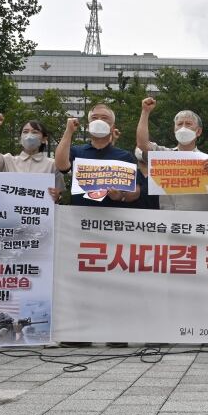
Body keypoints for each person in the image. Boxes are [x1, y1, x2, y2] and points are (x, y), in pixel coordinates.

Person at [55, 104, 140, 348]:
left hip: (114, 224)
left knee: (115, 279)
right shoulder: (78, 151)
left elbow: (135, 191)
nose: (99, 121)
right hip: (81, 223)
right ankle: (79, 332)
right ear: (88, 123)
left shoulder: (124, 156)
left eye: (104, 118)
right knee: (81, 278)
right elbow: (61, 164)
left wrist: (121, 196)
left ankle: (115, 330)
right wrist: (68, 132)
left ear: (113, 127)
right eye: (95, 117)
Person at [136, 97, 208, 211]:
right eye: (179, 124)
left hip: (198, 221)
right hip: (169, 221)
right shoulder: (163, 155)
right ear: (174, 129)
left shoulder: (207, 160)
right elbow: (142, 144)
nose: (183, 128)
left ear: (198, 131)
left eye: (188, 124)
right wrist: (145, 112)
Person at [0, 113, 64, 202]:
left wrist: (57, 196)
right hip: (11, 214)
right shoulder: (8, 160)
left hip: (38, 214)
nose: (29, 136)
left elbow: (58, 194)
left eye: (35, 132)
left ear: (44, 139)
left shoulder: (53, 165)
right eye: (25, 132)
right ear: (20, 139)